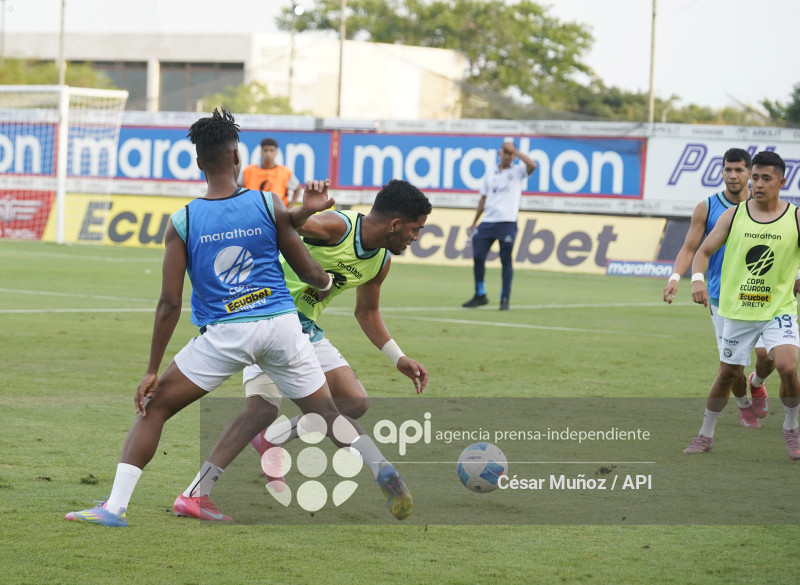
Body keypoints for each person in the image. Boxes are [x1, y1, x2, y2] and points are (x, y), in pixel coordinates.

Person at [64, 108, 413, 527]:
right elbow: (309, 273)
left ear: (199, 163)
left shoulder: (184, 221)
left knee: (154, 410)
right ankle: (380, 468)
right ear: (237, 159)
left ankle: (114, 508)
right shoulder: (269, 204)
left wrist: (152, 369)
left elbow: (169, 304)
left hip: (227, 333)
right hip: (284, 327)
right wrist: (319, 276)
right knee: (331, 414)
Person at [174, 177, 431, 515]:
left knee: (353, 402)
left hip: (305, 329)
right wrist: (305, 211)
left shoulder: (380, 261)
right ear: (396, 224)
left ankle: (272, 439)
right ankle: (196, 492)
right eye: (415, 229)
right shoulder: (336, 226)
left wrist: (397, 357)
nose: (416, 237)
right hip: (267, 318)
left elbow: (367, 311)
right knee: (262, 409)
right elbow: (286, 223)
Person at [683, 151, 800, 460]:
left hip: (778, 310)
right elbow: (703, 251)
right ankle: (705, 435)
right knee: (728, 374)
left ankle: (791, 428)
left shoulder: (796, 217)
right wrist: (697, 279)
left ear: (781, 182)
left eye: (766, 178)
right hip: (738, 312)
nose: (758, 184)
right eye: (756, 177)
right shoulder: (734, 215)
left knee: (788, 367)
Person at [663, 148, 775, 428]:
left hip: (761, 294)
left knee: (769, 356)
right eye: (728, 169)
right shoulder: (708, 207)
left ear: (750, 173)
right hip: (722, 297)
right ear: (722, 172)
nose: (733, 175)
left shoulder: (766, 206)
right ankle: (744, 405)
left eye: (739, 170)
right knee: (733, 366)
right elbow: (691, 248)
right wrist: (677, 278)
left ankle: (758, 383)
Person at [462, 137, 537, 311]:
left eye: (511, 153)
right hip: (488, 222)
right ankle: (480, 294)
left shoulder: (518, 171)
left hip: (507, 223)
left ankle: (505, 299)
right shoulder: (490, 172)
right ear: (499, 153)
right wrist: (474, 222)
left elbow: (532, 165)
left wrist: (516, 152)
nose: (508, 156)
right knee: (478, 256)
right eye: (506, 152)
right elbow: (483, 198)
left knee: (506, 261)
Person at [240, 137, 302, 207]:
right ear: (261, 152)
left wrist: (290, 207)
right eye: (265, 150)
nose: (268, 154)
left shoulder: (285, 172)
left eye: (271, 150)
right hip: (252, 209)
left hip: (277, 212)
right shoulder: (248, 171)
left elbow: (297, 188)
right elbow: (237, 187)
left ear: (276, 152)